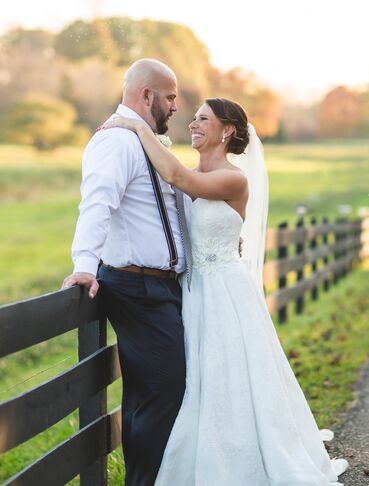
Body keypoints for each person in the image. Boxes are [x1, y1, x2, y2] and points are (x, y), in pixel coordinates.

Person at [101, 98, 349, 485]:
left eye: (203, 119)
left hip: (225, 295)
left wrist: (137, 127)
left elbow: (179, 180)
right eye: (194, 118)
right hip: (191, 291)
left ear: (227, 130)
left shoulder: (233, 178)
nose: (193, 124)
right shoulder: (191, 171)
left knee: (230, 377)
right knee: (198, 381)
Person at [61, 58, 189, 486]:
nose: (176, 105)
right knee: (163, 392)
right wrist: (83, 265)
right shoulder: (116, 142)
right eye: (170, 96)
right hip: (139, 288)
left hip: (161, 288)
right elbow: (97, 204)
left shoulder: (145, 141)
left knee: (152, 394)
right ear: (146, 95)